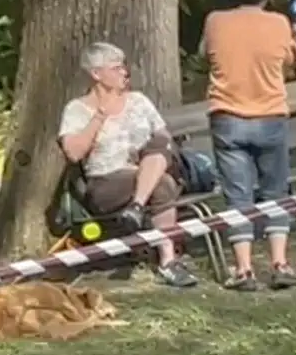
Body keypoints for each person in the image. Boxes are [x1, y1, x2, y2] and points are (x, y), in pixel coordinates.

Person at [56, 42, 198, 288]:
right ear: (96, 74)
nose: (124, 73)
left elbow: (164, 137)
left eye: (124, 67)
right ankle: (168, 261)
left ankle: (141, 214)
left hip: (148, 170)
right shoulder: (77, 109)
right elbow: (74, 153)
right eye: (116, 68)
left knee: (159, 158)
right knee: (160, 182)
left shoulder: (138, 101)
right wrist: (100, 116)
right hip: (107, 182)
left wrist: (141, 156)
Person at [203, 0, 296, 290]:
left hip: (228, 117)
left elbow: (207, 54)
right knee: (276, 190)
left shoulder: (215, 21)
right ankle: (280, 263)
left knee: (238, 196)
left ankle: (244, 269)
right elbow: (292, 59)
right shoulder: (278, 23)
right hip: (270, 116)